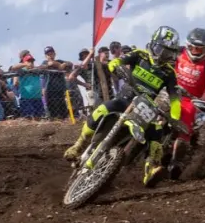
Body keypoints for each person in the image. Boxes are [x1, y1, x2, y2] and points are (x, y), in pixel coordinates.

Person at [63, 26, 183, 187]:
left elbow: (175, 99)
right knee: (102, 109)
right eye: (161, 50)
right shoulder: (140, 55)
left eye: (168, 52)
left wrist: (174, 118)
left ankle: (151, 169)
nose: (162, 55)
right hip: (126, 99)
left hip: (145, 107)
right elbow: (115, 62)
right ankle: (79, 145)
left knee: (157, 131)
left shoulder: (169, 72)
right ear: (154, 44)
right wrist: (117, 67)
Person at [168, 28, 205, 180]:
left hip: (189, 99)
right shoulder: (177, 52)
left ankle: (175, 162)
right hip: (169, 91)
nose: (196, 51)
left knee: (186, 127)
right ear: (187, 46)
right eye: (193, 47)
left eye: (200, 48)